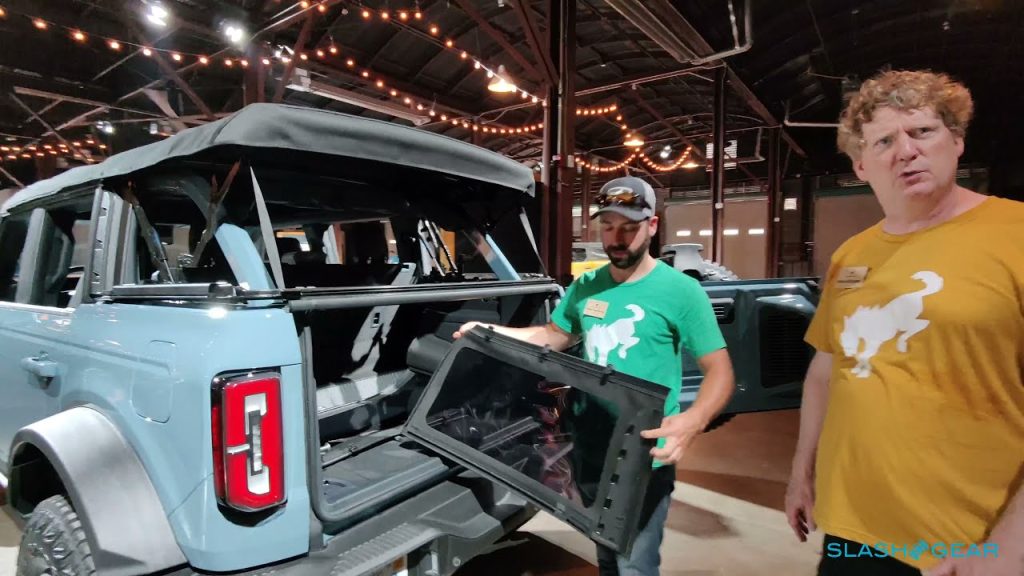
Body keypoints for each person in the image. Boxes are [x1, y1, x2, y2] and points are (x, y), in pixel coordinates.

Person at [784, 69, 1024, 576]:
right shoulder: (852, 255)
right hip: (854, 533)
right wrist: (802, 470)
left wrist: (1011, 545)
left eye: (922, 132)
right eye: (884, 141)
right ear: (862, 165)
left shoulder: (1015, 235)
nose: (906, 151)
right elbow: (827, 370)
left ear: (956, 141)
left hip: (969, 542)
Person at [454, 175, 735, 575]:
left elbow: (720, 371)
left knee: (634, 562)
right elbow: (554, 335)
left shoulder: (680, 292)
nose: (617, 239)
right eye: (608, 226)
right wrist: (490, 333)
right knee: (605, 550)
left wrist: (691, 422)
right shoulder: (587, 286)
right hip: (590, 446)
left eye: (629, 228)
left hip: (643, 454)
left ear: (652, 226)